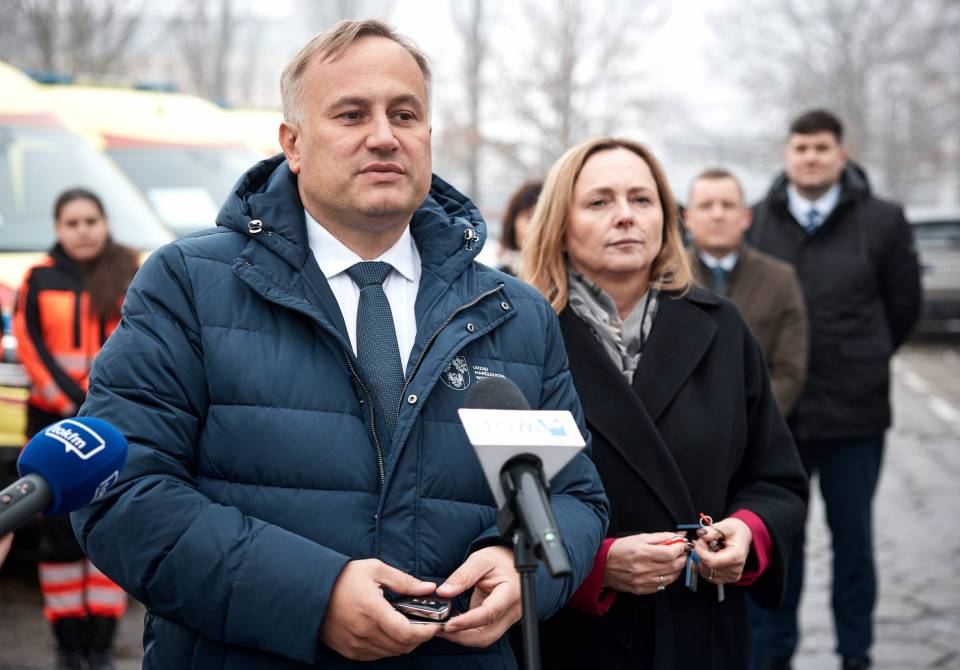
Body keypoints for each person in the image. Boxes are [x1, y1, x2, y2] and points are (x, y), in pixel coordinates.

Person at [70, 20, 608, 670]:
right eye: (352, 114)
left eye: (404, 114)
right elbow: (119, 493)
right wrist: (312, 598)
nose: (384, 136)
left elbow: (573, 498)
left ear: (428, 136)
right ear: (292, 144)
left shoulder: (513, 312)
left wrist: (524, 570)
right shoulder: (187, 285)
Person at [521, 137, 808, 669]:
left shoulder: (722, 327)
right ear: (559, 223)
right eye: (599, 201)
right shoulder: (520, 336)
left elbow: (777, 481)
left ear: (666, 219)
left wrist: (747, 531)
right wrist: (593, 565)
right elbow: (486, 503)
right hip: (577, 639)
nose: (625, 216)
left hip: (703, 631)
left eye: (642, 199)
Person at [746, 110, 922, 670]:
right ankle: (772, 654)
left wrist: (865, 357)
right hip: (780, 420)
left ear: (841, 155)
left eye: (822, 148)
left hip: (855, 417)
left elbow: (903, 306)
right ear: (787, 154)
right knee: (780, 543)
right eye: (801, 148)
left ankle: (855, 654)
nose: (811, 158)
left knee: (854, 544)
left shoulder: (883, 221)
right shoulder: (757, 221)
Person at [13, 188, 138, 670]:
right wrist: (70, 400)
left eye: (91, 221)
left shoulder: (128, 272)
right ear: (58, 229)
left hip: (111, 425)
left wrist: (97, 402)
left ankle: (102, 646)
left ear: (105, 223)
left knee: (108, 532)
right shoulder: (39, 279)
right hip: (52, 426)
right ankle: (68, 646)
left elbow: (135, 343)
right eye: (72, 223)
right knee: (59, 541)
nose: (83, 230)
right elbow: (30, 345)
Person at [684, 167, 808, 415]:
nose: (718, 215)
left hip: (757, 423)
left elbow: (789, 371)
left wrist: (748, 421)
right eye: (706, 206)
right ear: (687, 218)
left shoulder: (780, 280)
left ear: (746, 217)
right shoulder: (662, 278)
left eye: (728, 205)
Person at [497, 180, 542, 274]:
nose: (539, 228)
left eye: (546, 220)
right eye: (531, 217)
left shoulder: (569, 278)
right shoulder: (495, 279)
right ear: (513, 223)